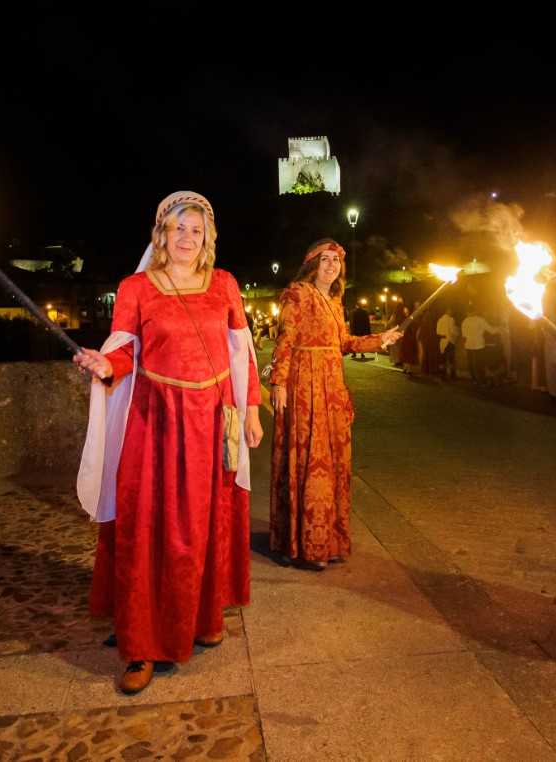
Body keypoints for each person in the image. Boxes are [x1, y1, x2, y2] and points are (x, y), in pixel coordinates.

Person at [72, 191, 263, 695]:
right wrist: (104, 365)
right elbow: (124, 354)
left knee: (204, 525)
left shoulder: (224, 284)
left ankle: (198, 619)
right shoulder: (136, 288)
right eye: (178, 228)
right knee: (150, 529)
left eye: (196, 231)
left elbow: (242, 351)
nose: (187, 238)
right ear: (162, 234)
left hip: (212, 422)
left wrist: (253, 411)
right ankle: (142, 644)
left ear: (207, 239)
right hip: (155, 423)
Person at [269, 239, 401, 569]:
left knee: (332, 463)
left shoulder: (335, 300)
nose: (332, 266)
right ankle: (303, 544)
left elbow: (343, 343)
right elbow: (285, 338)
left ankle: (329, 540)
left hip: (332, 389)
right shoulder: (298, 293)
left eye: (337, 261)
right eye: (325, 259)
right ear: (312, 264)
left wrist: (380, 339)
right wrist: (279, 382)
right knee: (308, 459)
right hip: (305, 385)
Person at [461, 303, 499, 385]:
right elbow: (491, 330)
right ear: (475, 311)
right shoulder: (480, 319)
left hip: (468, 344)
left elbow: (463, 336)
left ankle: (474, 379)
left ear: (467, 312)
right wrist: (500, 328)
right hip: (478, 344)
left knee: (470, 363)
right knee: (479, 362)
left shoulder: (465, 321)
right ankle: (481, 380)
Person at [436, 304, 460, 380]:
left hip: (442, 342)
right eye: (451, 311)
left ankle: (443, 374)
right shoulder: (451, 319)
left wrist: (443, 335)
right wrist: (458, 331)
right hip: (450, 342)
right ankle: (452, 375)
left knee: (443, 359)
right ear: (448, 311)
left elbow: (437, 331)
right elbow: (453, 330)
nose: (452, 312)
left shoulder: (440, 320)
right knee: (451, 359)